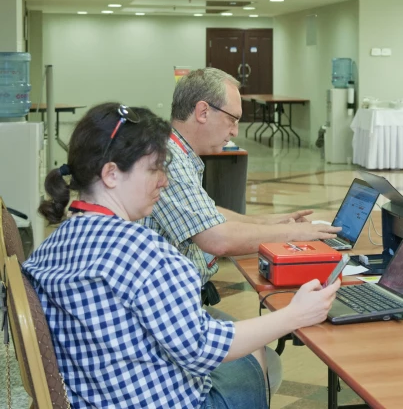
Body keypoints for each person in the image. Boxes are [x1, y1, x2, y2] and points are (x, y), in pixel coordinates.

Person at [24, 103, 340, 408]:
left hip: (99, 393)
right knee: (254, 357)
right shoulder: (146, 253)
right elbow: (202, 348)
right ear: (111, 174)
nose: (164, 180)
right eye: (154, 169)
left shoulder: (50, 246)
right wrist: (295, 315)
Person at [142, 68, 341, 292]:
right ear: (203, 111)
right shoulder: (171, 161)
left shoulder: (177, 152)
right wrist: (297, 234)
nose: (235, 131)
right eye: (232, 119)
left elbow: (206, 213)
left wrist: (268, 221)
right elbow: (218, 239)